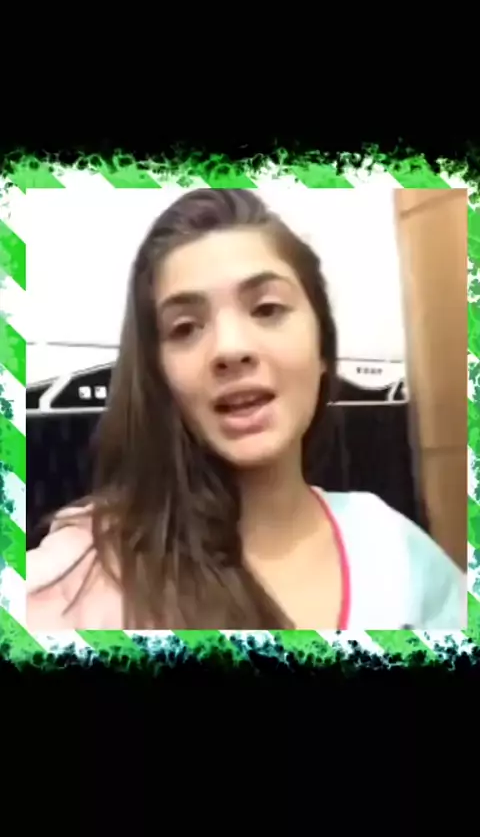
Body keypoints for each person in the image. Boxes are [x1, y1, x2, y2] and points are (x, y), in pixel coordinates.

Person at [26, 189, 466, 631]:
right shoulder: (85, 571)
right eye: (185, 328)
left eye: (267, 308)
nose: (230, 348)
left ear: (322, 348)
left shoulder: (393, 552)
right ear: (158, 375)